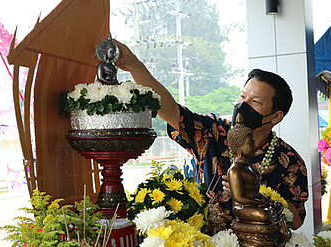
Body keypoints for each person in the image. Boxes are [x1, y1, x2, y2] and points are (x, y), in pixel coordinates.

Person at [113, 40, 308, 230]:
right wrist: (134, 65)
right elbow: (170, 110)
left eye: (255, 101)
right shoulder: (213, 132)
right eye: (242, 96)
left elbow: (296, 220)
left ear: (275, 116)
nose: (242, 104)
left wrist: (254, 196)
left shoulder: (289, 160)